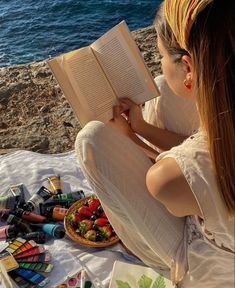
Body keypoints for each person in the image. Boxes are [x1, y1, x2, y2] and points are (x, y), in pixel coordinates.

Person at [75, 0, 235, 287]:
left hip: (211, 267)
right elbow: (209, 157)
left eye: (160, 54)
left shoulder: (169, 179)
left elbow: (182, 174)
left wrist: (130, 138)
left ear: (188, 67)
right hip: (214, 203)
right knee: (162, 87)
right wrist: (142, 127)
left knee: (91, 140)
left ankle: (151, 257)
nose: (159, 62)